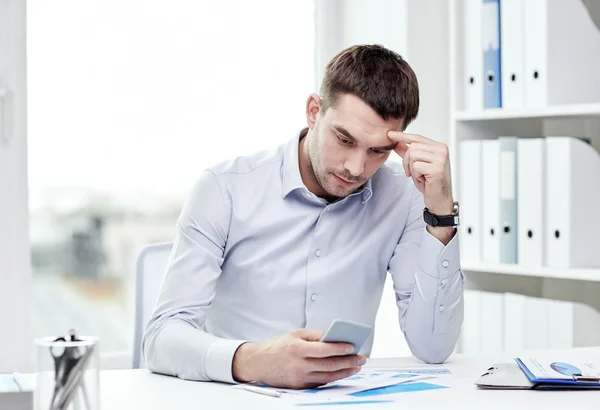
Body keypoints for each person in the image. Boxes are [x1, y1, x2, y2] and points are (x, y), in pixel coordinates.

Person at [143, 44, 464, 389]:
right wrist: (253, 361)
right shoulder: (225, 189)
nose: (356, 168)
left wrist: (441, 212)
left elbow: (433, 348)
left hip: (344, 399)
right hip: (236, 397)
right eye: (344, 139)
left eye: (377, 151)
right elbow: (161, 339)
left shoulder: (405, 198)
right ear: (314, 111)